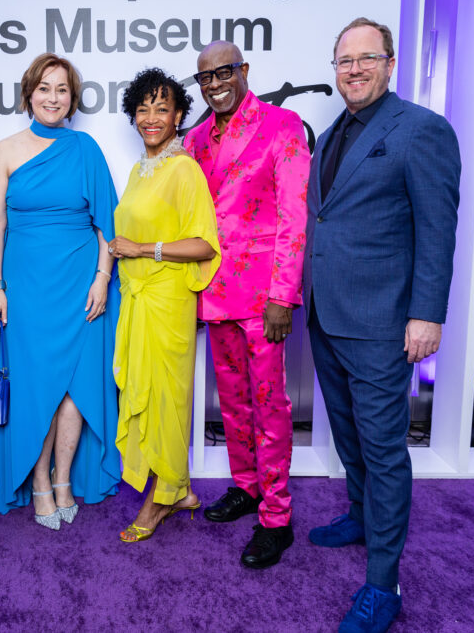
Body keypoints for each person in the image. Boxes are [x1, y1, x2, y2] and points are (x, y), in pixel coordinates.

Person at [305, 17, 460, 632]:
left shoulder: (421, 130)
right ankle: (361, 515)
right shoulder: (331, 132)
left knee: (383, 450)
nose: (355, 70)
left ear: (390, 63)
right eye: (345, 61)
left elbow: (437, 230)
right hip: (326, 314)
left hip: (381, 322)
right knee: (348, 438)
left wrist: (427, 314)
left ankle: (383, 583)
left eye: (367, 59)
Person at [0, 53, 121, 529]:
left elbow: (109, 226)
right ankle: (38, 481)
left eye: (62, 89)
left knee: (75, 390)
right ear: (29, 94)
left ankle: (63, 479)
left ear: (72, 98)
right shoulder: (5, 150)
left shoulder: (86, 149)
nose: (53, 98)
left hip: (82, 284)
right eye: (44, 88)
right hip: (26, 287)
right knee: (37, 386)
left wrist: (103, 278)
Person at [184, 41, 310, 569]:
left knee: (270, 406)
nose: (215, 83)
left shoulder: (283, 126)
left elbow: (294, 217)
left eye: (224, 72)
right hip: (214, 295)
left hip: (264, 299)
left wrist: (283, 294)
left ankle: (276, 517)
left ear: (244, 71)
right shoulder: (193, 140)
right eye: (205, 77)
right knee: (232, 402)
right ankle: (246, 487)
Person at [108, 68, 221, 542]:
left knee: (165, 402)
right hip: (136, 298)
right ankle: (181, 488)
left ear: (179, 116)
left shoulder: (184, 169)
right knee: (148, 396)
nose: (151, 117)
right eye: (143, 108)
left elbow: (204, 245)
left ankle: (159, 501)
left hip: (167, 300)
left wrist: (143, 250)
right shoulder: (139, 169)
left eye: (162, 108)